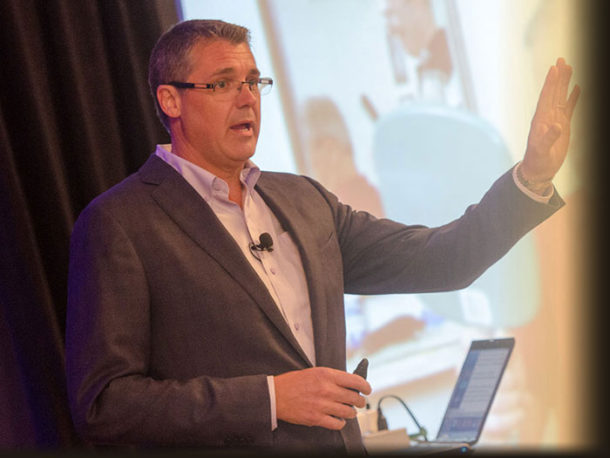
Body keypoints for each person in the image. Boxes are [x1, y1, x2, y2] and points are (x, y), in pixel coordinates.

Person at [65, 19, 580, 453]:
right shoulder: (121, 224)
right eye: (223, 84)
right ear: (170, 100)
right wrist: (270, 399)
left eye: (254, 82)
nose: (246, 99)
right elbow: (105, 404)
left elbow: (444, 258)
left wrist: (532, 177)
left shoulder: (303, 200)